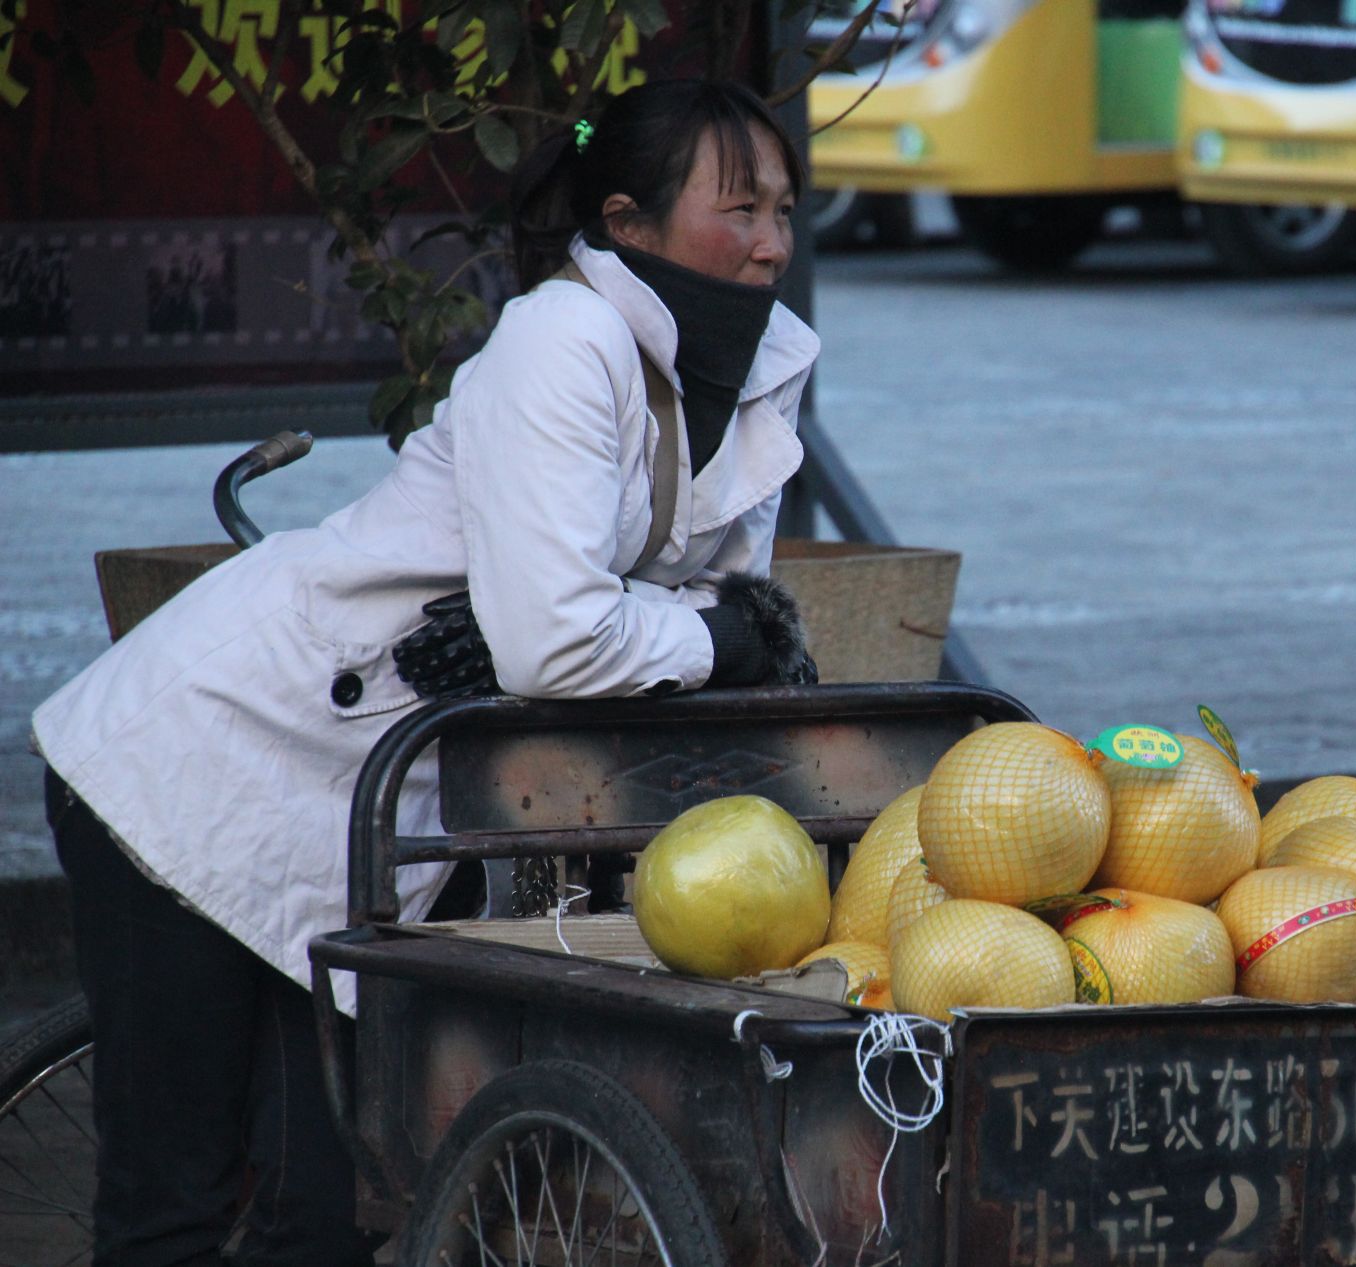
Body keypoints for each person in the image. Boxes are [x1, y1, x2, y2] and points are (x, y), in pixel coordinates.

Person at [32, 79, 819, 1267]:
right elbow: (575, 639)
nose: (770, 243)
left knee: (321, 1217)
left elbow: (658, 624)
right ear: (627, 220)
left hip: (355, 818)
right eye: (739, 208)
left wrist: (695, 631)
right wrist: (715, 634)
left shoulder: (754, 370)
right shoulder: (567, 339)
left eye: (784, 210)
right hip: (193, 761)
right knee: (175, 1210)